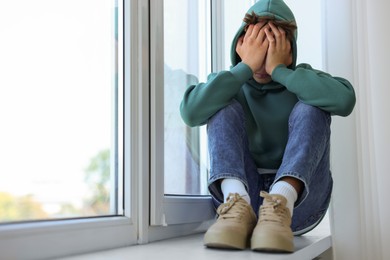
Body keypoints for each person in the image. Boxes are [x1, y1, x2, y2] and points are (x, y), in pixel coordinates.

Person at [180, 0, 356, 253]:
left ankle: (281, 202)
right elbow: (191, 113)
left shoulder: (301, 78)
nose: (263, 59)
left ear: (290, 51)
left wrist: (280, 71)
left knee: (312, 106)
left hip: (299, 204)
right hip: (243, 201)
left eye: (272, 48)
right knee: (222, 105)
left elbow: (345, 100)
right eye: (257, 47)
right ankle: (235, 201)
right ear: (241, 45)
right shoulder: (229, 82)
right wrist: (244, 68)